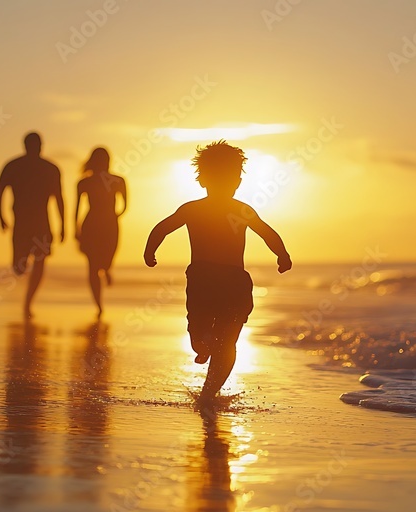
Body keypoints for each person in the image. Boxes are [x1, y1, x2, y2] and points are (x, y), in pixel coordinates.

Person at [143, 140, 292, 404]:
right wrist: (282, 256)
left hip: (204, 280)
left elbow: (161, 229)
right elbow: (268, 233)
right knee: (227, 342)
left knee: (203, 332)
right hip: (232, 281)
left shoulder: (193, 209)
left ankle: (205, 360)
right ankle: (208, 391)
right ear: (238, 181)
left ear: (202, 179)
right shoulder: (241, 210)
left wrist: (150, 251)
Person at [0, 132, 65, 318]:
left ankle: (28, 302)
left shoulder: (51, 169)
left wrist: (63, 225)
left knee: (40, 262)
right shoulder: (13, 166)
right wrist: (0, 217)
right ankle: (25, 294)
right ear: (26, 146)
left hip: (42, 224)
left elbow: (59, 198)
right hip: (22, 224)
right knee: (19, 268)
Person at [75, 147, 127, 317]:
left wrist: (117, 215)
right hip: (98, 225)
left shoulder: (117, 181)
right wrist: (75, 228)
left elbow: (125, 204)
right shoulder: (85, 182)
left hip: (104, 224)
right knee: (92, 265)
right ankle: (99, 305)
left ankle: (106, 269)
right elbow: (76, 208)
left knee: (104, 260)